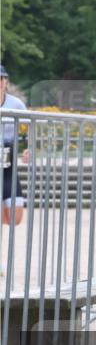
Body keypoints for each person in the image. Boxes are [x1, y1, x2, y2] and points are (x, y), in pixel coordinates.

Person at [1, 65, 29, 227]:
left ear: (6, 82)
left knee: (15, 219)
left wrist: (29, 147)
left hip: (8, 166)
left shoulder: (15, 103)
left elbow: (31, 124)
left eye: (2, 79)